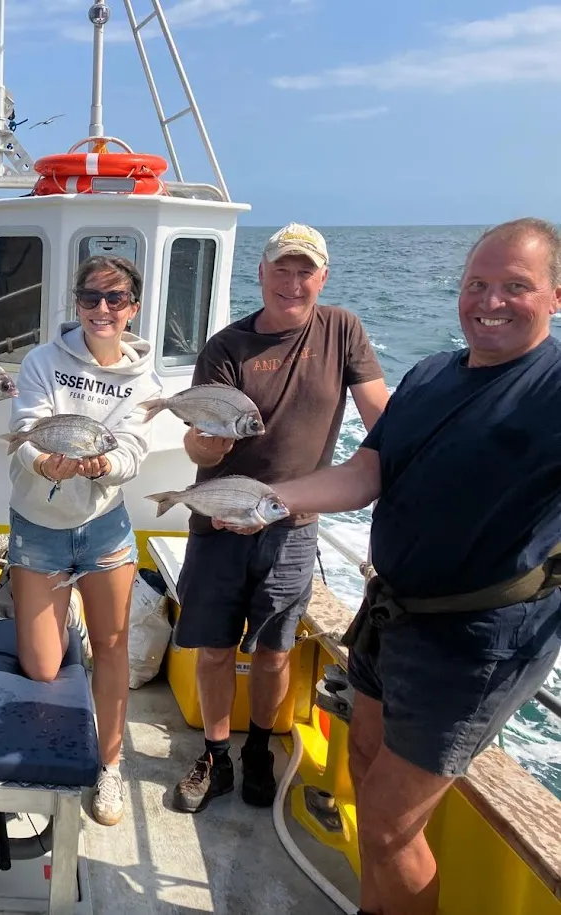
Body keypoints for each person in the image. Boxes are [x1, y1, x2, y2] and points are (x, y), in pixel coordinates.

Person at [251, 218, 561, 915]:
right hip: (391, 616)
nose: (491, 300)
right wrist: (269, 499)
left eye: (517, 286)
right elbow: (365, 473)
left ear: (555, 296)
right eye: (478, 283)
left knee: (391, 826)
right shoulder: (430, 376)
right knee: (362, 766)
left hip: (477, 642)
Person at [171, 223, 389, 815]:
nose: (293, 283)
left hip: (294, 526)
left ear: (323, 277)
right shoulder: (226, 347)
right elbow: (197, 448)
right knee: (215, 649)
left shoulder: (342, 330)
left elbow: (384, 420)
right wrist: (208, 446)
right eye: (282, 270)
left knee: (273, 651)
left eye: (305, 271)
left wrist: (422, 474)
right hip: (220, 518)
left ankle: (261, 749)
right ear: (261, 274)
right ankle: (216, 755)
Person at [6, 254, 162, 828]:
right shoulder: (42, 360)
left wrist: (103, 467)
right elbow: (28, 431)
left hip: (104, 528)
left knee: (113, 647)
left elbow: (132, 450)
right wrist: (45, 463)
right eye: (91, 297)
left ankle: (109, 766)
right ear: (77, 304)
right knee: (44, 668)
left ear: (132, 308)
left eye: (115, 299)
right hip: (39, 528)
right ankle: (52, 630)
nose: (102, 308)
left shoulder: (146, 380)